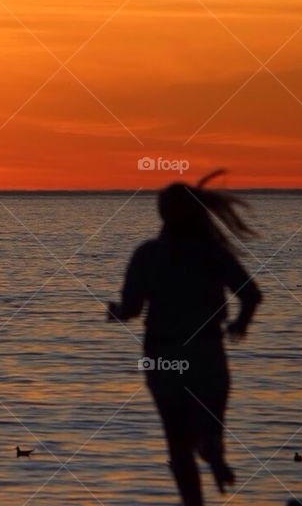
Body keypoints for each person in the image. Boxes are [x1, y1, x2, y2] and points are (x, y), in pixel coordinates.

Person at [108, 170, 262, 506]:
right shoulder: (213, 252)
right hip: (207, 352)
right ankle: (212, 450)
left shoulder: (148, 254)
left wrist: (116, 311)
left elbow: (133, 308)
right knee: (209, 427)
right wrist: (240, 324)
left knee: (177, 443)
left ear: (162, 214)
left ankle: (193, 502)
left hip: (163, 355)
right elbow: (251, 294)